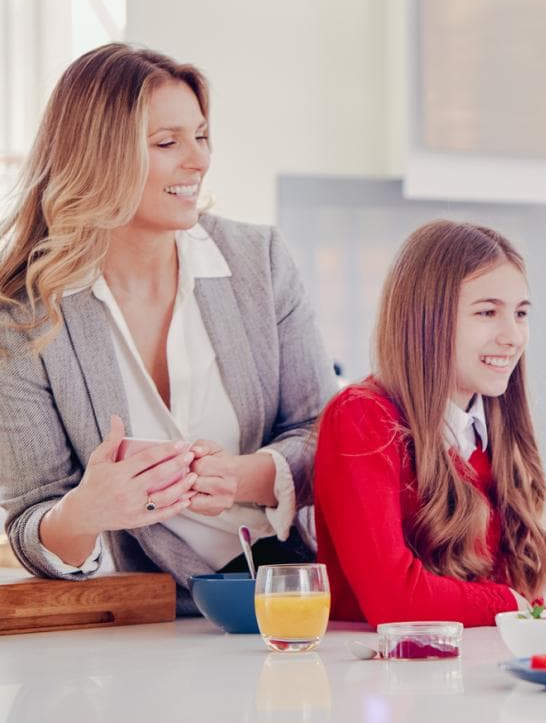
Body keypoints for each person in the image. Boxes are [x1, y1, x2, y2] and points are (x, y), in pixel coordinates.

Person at [0, 43, 337, 613]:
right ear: (97, 157)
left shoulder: (259, 261)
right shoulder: (24, 315)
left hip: (295, 599)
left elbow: (325, 434)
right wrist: (87, 511)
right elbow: (32, 521)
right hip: (148, 623)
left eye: (201, 136)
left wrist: (247, 477)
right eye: (167, 143)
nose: (198, 161)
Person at [313, 220, 546, 628]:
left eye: (520, 314)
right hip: (377, 682)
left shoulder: (492, 427)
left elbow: (506, 592)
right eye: (487, 312)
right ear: (426, 319)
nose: (513, 336)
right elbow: (395, 602)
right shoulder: (361, 418)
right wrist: (515, 605)